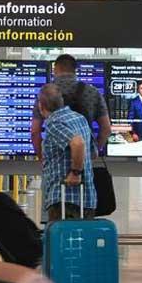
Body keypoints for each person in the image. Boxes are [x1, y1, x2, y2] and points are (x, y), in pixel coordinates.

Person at [30, 54, 111, 156]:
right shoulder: (93, 92)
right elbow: (106, 128)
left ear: (55, 69)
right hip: (83, 162)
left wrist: (42, 158)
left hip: (55, 162)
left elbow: (35, 132)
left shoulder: (45, 93)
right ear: (74, 70)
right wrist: (91, 153)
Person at [37, 84, 96, 221]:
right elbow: (93, 152)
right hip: (87, 197)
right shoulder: (78, 118)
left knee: (61, 241)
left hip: (65, 199)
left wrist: (75, 172)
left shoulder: (54, 122)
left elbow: (77, 143)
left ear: (41, 105)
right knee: (84, 240)